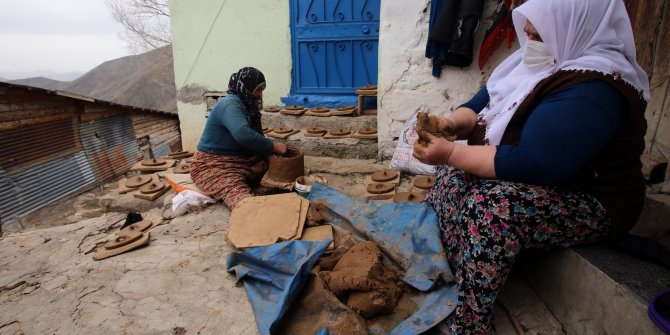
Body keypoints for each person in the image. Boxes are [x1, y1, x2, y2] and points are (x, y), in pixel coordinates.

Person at [412, 0, 650, 333]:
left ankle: (471, 321)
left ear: (573, 26)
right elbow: (481, 105)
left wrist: (451, 153)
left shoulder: (595, 87)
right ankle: (453, 273)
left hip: (592, 199)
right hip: (540, 177)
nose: (527, 35)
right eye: (528, 27)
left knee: (491, 205)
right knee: (454, 177)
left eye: (536, 32)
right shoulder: (541, 60)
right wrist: (448, 123)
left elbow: (535, 163)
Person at [190, 67, 287, 208]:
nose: (260, 95)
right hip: (214, 164)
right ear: (245, 88)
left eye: (261, 90)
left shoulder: (249, 107)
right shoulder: (229, 104)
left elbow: (257, 137)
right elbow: (243, 135)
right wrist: (273, 146)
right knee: (243, 202)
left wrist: (268, 154)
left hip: (241, 160)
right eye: (257, 90)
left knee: (278, 167)